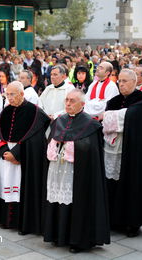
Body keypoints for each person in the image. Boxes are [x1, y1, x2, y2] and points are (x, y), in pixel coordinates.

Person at [43, 89, 110, 252]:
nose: (68, 103)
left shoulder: (91, 124)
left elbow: (90, 149)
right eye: (66, 100)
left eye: (72, 101)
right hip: (58, 169)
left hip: (78, 173)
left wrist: (72, 146)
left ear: (82, 104)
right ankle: (58, 235)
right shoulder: (60, 120)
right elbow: (51, 139)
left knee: (75, 203)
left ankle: (76, 240)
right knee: (57, 200)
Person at [104, 69, 142, 237]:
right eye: (119, 81)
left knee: (131, 183)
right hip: (113, 148)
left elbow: (130, 117)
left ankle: (132, 222)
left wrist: (111, 117)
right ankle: (113, 218)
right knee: (111, 182)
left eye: (125, 81)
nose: (121, 84)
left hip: (133, 151)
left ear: (135, 83)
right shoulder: (114, 100)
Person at [0, 81, 50, 234]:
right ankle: (5, 220)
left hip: (23, 159)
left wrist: (16, 154)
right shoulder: (6, 111)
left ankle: (22, 222)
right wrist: (4, 151)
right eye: (7, 94)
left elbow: (35, 140)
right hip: (6, 158)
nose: (9, 98)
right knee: (5, 185)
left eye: (12, 94)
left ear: (22, 94)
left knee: (21, 188)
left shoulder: (35, 113)